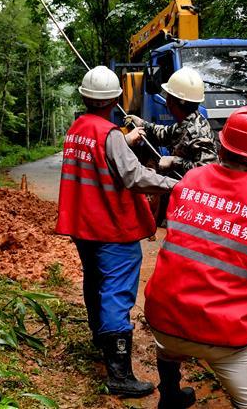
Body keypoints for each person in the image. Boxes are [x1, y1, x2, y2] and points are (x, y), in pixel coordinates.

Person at [144, 104, 247, 409]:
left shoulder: (189, 182)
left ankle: (170, 394)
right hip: (225, 333)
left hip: (163, 318)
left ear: (222, 145)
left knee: (167, 343)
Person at [56, 66, 178, 398]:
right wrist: (174, 184)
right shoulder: (109, 134)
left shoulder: (77, 129)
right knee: (117, 291)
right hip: (110, 226)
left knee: (95, 280)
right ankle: (120, 374)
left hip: (84, 225)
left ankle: (102, 339)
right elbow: (134, 178)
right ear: (115, 99)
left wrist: (124, 142)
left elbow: (100, 158)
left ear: (84, 96)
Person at [127, 67, 218, 176]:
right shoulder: (187, 122)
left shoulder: (197, 133)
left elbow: (207, 171)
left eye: (168, 97)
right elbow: (165, 134)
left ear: (172, 102)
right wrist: (143, 124)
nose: (166, 102)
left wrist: (175, 162)